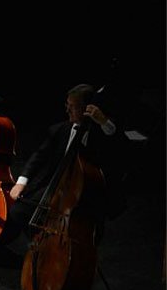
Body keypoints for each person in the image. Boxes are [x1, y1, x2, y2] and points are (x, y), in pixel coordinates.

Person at [9, 84, 123, 220]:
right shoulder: (59, 129)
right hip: (56, 187)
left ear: (87, 109)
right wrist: (21, 182)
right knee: (18, 211)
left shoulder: (101, 133)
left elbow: (120, 143)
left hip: (86, 194)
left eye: (73, 106)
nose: (67, 110)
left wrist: (104, 121)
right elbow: (38, 157)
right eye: (67, 105)